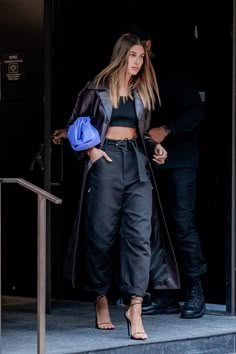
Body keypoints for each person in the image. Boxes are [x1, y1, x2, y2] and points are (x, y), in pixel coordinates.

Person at [60, 33, 180, 340]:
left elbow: (142, 133)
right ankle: (101, 298)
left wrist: (156, 147)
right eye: (133, 56)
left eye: (142, 57)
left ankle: (135, 306)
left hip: (137, 162)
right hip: (107, 159)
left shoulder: (143, 91)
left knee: (140, 236)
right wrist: (91, 151)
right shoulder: (97, 87)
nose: (139, 62)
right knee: (101, 233)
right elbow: (75, 123)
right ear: (121, 56)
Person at [134, 27, 207, 319]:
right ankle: (163, 293)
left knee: (181, 224)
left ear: (148, 46)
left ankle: (195, 290)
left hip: (180, 161)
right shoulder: (132, 81)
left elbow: (195, 112)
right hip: (147, 163)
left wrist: (166, 130)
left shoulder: (171, 73)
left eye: (138, 50)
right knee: (151, 228)